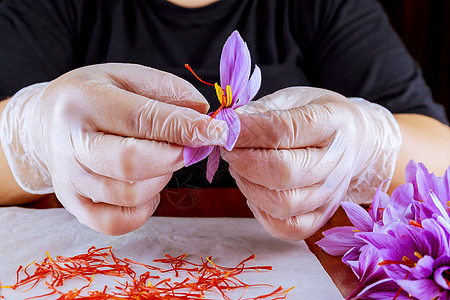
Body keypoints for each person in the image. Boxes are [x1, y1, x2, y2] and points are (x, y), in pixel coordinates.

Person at [0, 0, 449, 240]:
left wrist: (369, 145)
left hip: (280, 265)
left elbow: (441, 152)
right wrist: (30, 130)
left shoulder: (324, 6)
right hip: (105, 266)